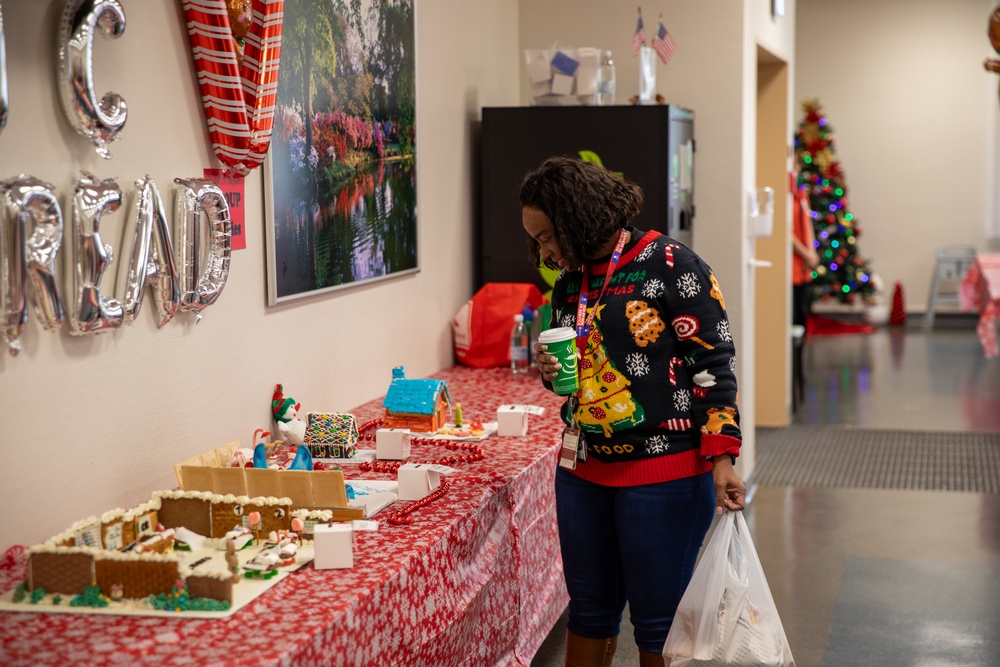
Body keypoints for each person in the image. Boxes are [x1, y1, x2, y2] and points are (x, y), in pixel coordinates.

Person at [520, 156, 746, 667]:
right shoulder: (568, 284)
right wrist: (552, 373)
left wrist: (723, 457)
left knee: (658, 618)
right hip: (583, 469)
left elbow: (713, 365)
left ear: (580, 215)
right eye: (536, 240)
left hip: (662, 471)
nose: (546, 250)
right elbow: (572, 377)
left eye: (550, 235)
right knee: (589, 611)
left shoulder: (672, 264)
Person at [790, 167, 819, 410]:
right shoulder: (788, 196)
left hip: (804, 272)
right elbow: (787, 234)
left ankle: (800, 374)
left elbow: (806, 228)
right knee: (794, 323)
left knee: (803, 322)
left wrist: (813, 253)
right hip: (792, 271)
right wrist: (807, 253)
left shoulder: (801, 195)